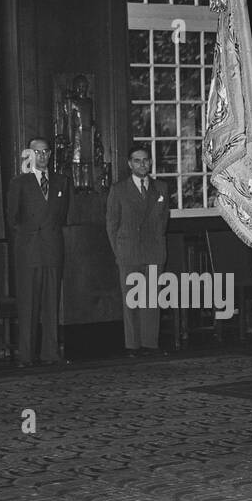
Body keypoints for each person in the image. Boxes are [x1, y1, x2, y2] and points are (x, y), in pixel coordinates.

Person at [6, 137, 70, 366]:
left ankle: (51, 353)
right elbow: (12, 219)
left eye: (45, 152)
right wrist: (27, 239)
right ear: (29, 155)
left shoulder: (62, 181)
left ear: (50, 155)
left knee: (51, 304)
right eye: (37, 152)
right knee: (28, 304)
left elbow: (62, 216)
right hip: (28, 251)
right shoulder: (19, 182)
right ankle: (26, 354)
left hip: (52, 249)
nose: (42, 156)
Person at [105, 145, 169, 358]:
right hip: (128, 252)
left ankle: (150, 343)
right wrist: (119, 251)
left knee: (152, 299)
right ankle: (133, 345)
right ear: (130, 164)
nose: (142, 164)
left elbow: (163, 220)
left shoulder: (161, 188)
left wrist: (157, 242)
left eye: (146, 160)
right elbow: (112, 224)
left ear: (150, 162)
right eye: (137, 160)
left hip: (153, 251)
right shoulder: (119, 189)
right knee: (131, 300)